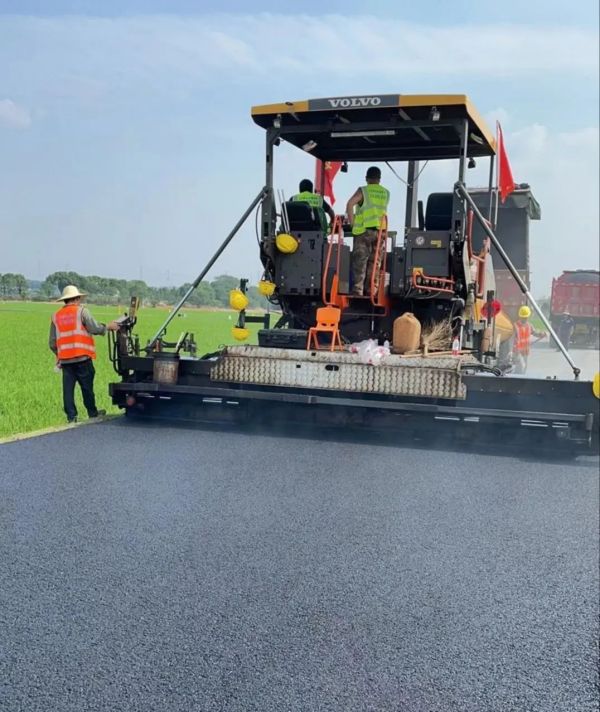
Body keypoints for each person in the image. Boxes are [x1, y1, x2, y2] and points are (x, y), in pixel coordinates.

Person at [49, 285, 120, 423]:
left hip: (66, 361)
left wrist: (60, 355)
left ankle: (71, 417)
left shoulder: (56, 316)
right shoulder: (82, 312)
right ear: (76, 298)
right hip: (82, 358)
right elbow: (94, 328)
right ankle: (92, 413)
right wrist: (108, 327)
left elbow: (52, 343)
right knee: (87, 388)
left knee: (68, 390)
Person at [345, 166, 390, 296]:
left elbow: (349, 204)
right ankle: (371, 290)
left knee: (360, 261)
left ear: (366, 178)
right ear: (379, 179)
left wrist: (353, 223)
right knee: (375, 262)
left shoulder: (363, 190)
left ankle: (358, 290)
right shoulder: (386, 193)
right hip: (380, 231)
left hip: (363, 231)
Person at [512, 305, 546, 374]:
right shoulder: (515, 326)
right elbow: (511, 340)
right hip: (517, 351)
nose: (524, 318)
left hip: (525, 351)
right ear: (520, 316)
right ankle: (516, 380)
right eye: (523, 317)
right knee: (520, 367)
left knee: (524, 368)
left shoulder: (529, 325)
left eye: (525, 317)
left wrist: (541, 334)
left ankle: (522, 380)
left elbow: (534, 332)